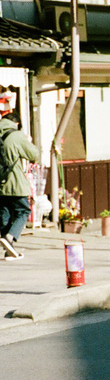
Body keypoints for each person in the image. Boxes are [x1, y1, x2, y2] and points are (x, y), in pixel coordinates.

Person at [0, 91, 38, 260]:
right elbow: (34, 154)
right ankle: (9, 238)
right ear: (16, 123)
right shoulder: (16, 135)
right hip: (14, 182)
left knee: (5, 214)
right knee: (23, 211)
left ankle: (9, 250)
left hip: (0, 184)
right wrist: (27, 140)